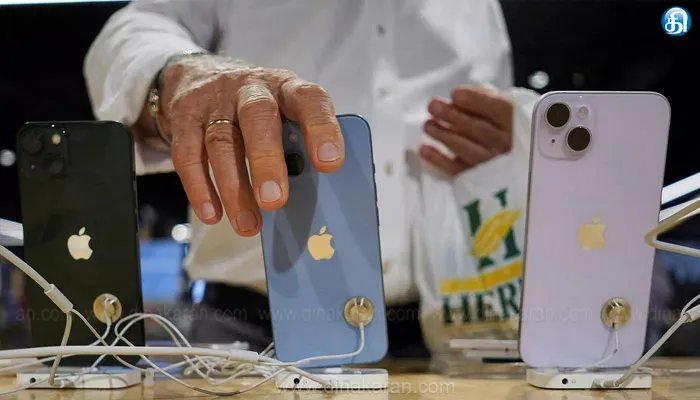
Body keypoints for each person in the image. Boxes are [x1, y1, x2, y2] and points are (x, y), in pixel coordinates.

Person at [84, 0, 537, 356]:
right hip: (250, 334)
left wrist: (519, 143)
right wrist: (179, 71)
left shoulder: (479, 8)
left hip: (445, 331)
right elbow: (135, 28)